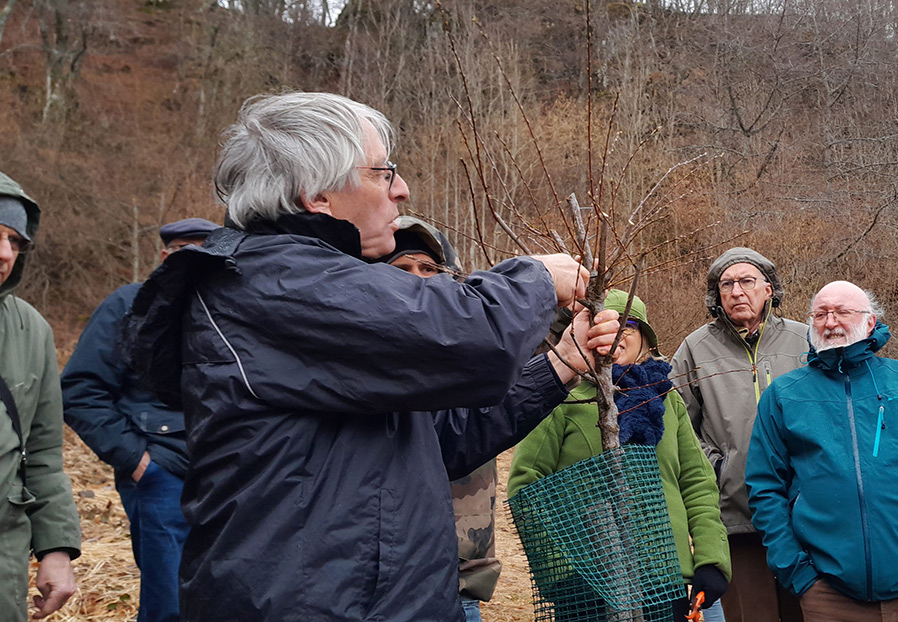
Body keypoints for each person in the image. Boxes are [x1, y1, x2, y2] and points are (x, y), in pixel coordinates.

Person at [121, 92, 621, 622]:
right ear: (316, 193)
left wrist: (561, 364)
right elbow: (474, 336)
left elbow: (440, 440)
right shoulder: (278, 284)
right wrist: (538, 277)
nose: (402, 190)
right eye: (384, 173)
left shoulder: (309, 288)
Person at [745, 281, 898, 621]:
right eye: (821, 314)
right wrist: (798, 574)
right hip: (828, 595)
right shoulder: (785, 395)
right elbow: (764, 487)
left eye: (842, 312)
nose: (830, 323)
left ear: (870, 322)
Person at [510, 289, 732, 622]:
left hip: (664, 580)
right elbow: (524, 487)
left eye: (627, 324)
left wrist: (711, 559)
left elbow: (698, 484)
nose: (616, 335)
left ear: (644, 338)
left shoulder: (666, 401)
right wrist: (562, 574)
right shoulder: (561, 401)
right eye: (603, 324)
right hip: (588, 587)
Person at [61, 217, 218, 622]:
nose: (195, 258)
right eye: (185, 249)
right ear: (165, 256)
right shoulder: (127, 305)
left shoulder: (229, 309)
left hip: (229, 475)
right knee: (168, 605)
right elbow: (80, 390)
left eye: (206, 249)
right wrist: (138, 463)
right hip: (162, 474)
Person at [669, 247, 809, 622]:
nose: (736, 291)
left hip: (804, 514)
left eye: (747, 281)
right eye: (726, 284)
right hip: (734, 514)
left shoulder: (804, 341)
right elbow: (675, 423)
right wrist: (715, 464)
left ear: (769, 289)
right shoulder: (695, 348)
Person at [381, 215, 495, 622]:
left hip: (462, 581)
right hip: (388, 585)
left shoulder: (477, 354)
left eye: (429, 268)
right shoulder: (364, 361)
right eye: (402, 268)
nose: (418, 279)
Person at [0, 171, 80, 620]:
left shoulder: (31, 330)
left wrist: (56, 548)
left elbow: (44, 453)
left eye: (15, 240)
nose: (4, 253)